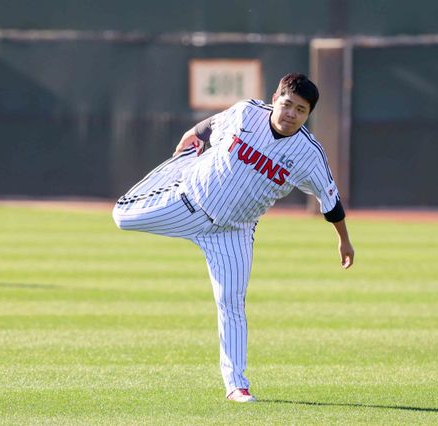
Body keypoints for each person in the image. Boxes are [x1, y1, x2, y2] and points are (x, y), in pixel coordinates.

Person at [112, 73, 354, 403]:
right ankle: (181, 168)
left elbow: (331, 200)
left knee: (231, 304)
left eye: (301, 110)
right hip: (189, 203)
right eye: (287, 104)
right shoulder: (246, 113)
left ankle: (236, 384)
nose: (291, 114)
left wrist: (344, 240)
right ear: (275, 99)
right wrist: (192, 134)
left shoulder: (309, 154)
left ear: (309, 114)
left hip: (233, 233)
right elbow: (211, 126)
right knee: (121, 216)